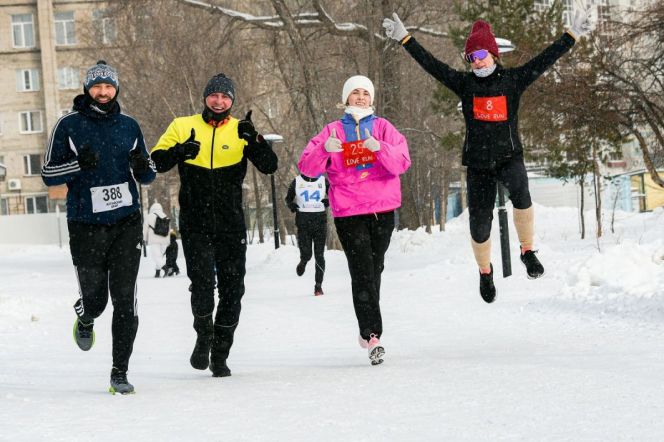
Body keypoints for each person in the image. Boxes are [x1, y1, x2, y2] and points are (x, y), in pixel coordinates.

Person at [383, 8, 592, 303]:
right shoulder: (465, 85)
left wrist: (570, 36)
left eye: (481, 54)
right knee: (480, 225)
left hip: (509, 158)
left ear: (494, 54)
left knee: (521, 192)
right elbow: (432, 65)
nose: (477, 60)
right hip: (479, 165)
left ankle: (527, 251)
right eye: (472, 57)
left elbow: (546, 59)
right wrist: (405, 39)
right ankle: (484, 271)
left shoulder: (513, 81)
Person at [150, 73, 278, 377]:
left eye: (225, 96)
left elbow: (270, 166)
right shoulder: (183, 125)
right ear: (205, 97)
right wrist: (180, 151)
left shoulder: (240, 129)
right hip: (195, 222)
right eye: (214, 95)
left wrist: (255, 140)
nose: (219, 101)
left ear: (232, 101)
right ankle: (203, 334)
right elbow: (156, 161)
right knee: (204, 286)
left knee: (234, 290)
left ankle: (220, 352)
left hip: (231, 223)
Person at [41, 60, 156, 394]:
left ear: (116, 89)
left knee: (125, 301)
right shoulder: (68, 125)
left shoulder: (130, 125)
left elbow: (147, 174)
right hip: (85, 225)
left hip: (126, 223)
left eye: (108, 86)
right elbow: (49, 173)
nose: (103, 92)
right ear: (87, 89)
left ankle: (119, 372)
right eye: (97, 86)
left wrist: (141, 167)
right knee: (97, 301)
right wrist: (78, 165)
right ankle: (85, 314)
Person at [298, 75, 411, 365]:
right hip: (349, 210)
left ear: (371, 99)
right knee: (361, 268)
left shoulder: (384, 128)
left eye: (365, 93)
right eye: (355, 93)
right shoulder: (332, 131)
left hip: (382, 208)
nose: (360, 97)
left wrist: (380, 148)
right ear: (346, 98)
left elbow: (402, 161)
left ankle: (367, 326)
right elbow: (306, 168)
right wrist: (325, 150)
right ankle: (373, 334)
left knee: (375, 268)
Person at [285, 173, 330, 296]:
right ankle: (304, 261)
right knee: (307, 253)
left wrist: (328, 200)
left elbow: (334, 194)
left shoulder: (323, 181)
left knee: (319, 255)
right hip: (303, 221)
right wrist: (292, 205)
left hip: (320, 220)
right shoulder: (297, 181)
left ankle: (318, 286)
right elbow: (288, 198)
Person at [143, 201, 171, 277]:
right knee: (160, 256)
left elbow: (145, 229)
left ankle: (165, 268)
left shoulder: (149, 216)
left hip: (154, 239)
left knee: (155, 256)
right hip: (164, 239)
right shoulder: (165, 215)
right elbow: (168, 229)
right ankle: (157, 272)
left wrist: (144, 239)